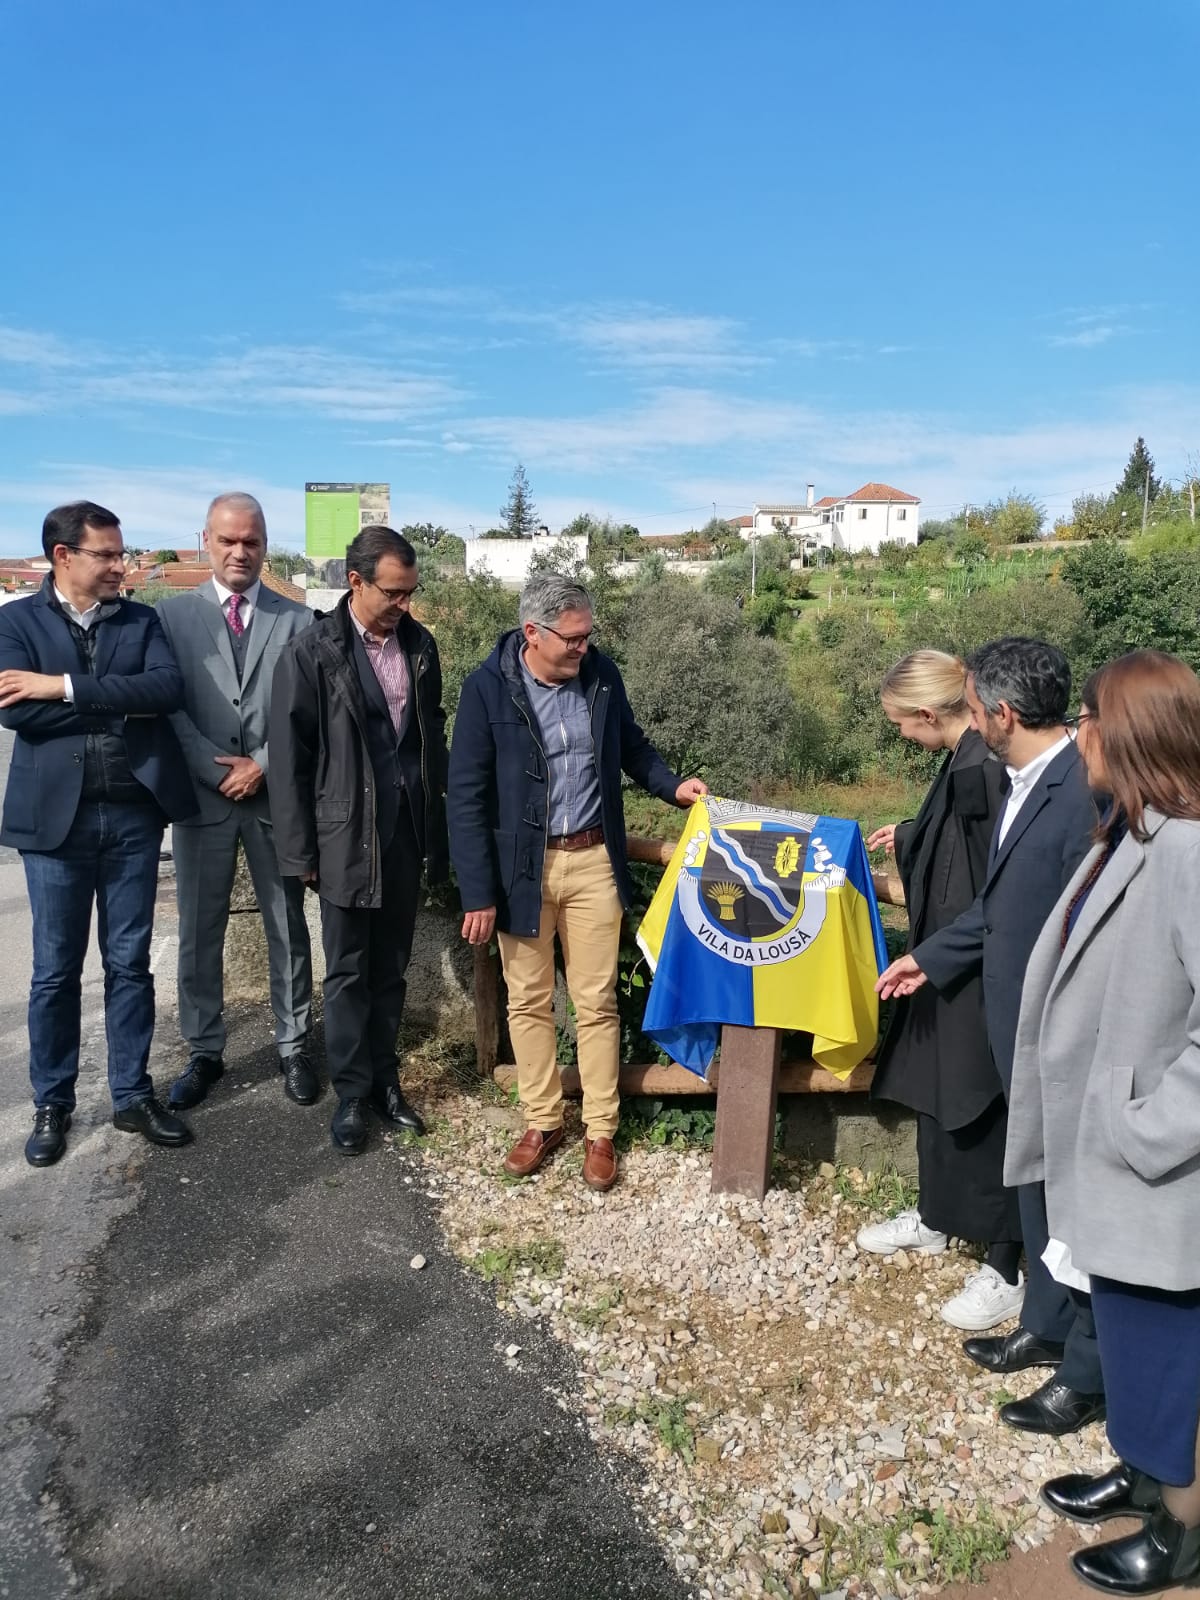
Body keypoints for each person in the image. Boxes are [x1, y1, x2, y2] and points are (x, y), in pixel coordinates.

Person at [1008, 652, 1200, 1595]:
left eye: (1087, 719)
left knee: (1162, 1347)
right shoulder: (1134, 831)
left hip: (1159, 1164)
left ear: (1118, 732)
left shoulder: (1192, 852)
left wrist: (1146, 1129)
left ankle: (1183, 1531)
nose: (1076, 734)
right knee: (1127, 1332)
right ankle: (1145, 1474)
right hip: (1119, 1151)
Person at [876, 636, 1102, 1435]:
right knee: (1035, 1183)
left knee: (1071, 1202)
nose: (968, 724)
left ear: (1000, 714)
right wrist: (929, 961)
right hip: (1013, 1019)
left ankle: (1084, 1367)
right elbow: (997, 906)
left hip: (1058, 1030)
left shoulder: (1084, 794)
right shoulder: (1028, 779)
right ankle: (1041, 1325)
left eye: (973, 711)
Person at [447, 574, 706, 1192]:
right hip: (520, 872)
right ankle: (542, 1120)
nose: (584, 648)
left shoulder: (601, 675)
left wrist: (673, 786)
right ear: (533, 633)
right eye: (574, 638)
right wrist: (478, 892)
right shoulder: (487, 690)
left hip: (593, 862)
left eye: (590, 637)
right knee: (528, 999)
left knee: (596, 1002)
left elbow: (631, 748)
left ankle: (600, 1130)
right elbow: (466, 798)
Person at [0, 501, 198, 1165]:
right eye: (106, 555)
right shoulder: (15, 622)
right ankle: (53, 1103)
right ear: (64, 556)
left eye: (121, 553)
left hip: (134, 817)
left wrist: (60, 687)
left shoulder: (141, 619)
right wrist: (114, 702)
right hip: (55, 825)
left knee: (128, 963)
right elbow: (18, 719)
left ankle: (131, 1094)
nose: (121, 565)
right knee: (55, 971)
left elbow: (165, 690)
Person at [269, 526, 448, 1156]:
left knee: (390, 969)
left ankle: (384, 1083)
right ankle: (351, 1092)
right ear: (356, 582)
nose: (405, 605)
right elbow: (290, 761)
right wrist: (300, 854)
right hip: (342, 836)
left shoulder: (420, 648)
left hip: (405, 834)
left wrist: (439, 830)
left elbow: (430, 744)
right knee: (346, 971)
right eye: (395, 593)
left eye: (411, 593)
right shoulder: (312, 652)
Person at [858, 651, 1022, 1332]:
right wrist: (915, 834)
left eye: (902, 722)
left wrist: (951, 951)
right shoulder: (966, 757)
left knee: (980, 1102)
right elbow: (956, 844)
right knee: (936, 1087)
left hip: (974, 965)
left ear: (930, 715)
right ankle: (938, 1217)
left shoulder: (984, 767)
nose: (900, 734)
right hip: (945, 959)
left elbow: (998, 872)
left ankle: (1006, 1266)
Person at [157, 493, 316, 1112]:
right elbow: (167, 704)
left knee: (287, 924)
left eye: (251, 541)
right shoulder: (171, 618)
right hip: (203, 800)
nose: (240, 552)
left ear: (266, 545)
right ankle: (203, 1051)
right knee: (199, 929)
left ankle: (294, 1043)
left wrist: (264, 766)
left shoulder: (297, 619)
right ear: (206, 542)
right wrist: (210, 767)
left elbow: (307, 711)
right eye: (228, 541)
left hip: (274, 797)